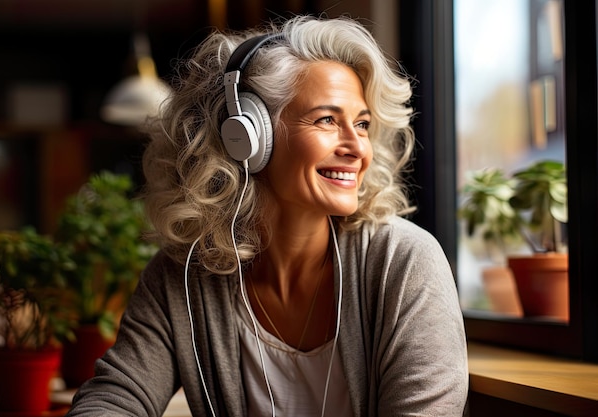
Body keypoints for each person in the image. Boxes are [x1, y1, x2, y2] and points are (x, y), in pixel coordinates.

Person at [66, 15, 468, 417]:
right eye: (327, 120)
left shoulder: (406, 262)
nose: (358, 148)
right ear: (247, 137)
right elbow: (114, 396)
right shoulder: (182, 278)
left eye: (361, 124)